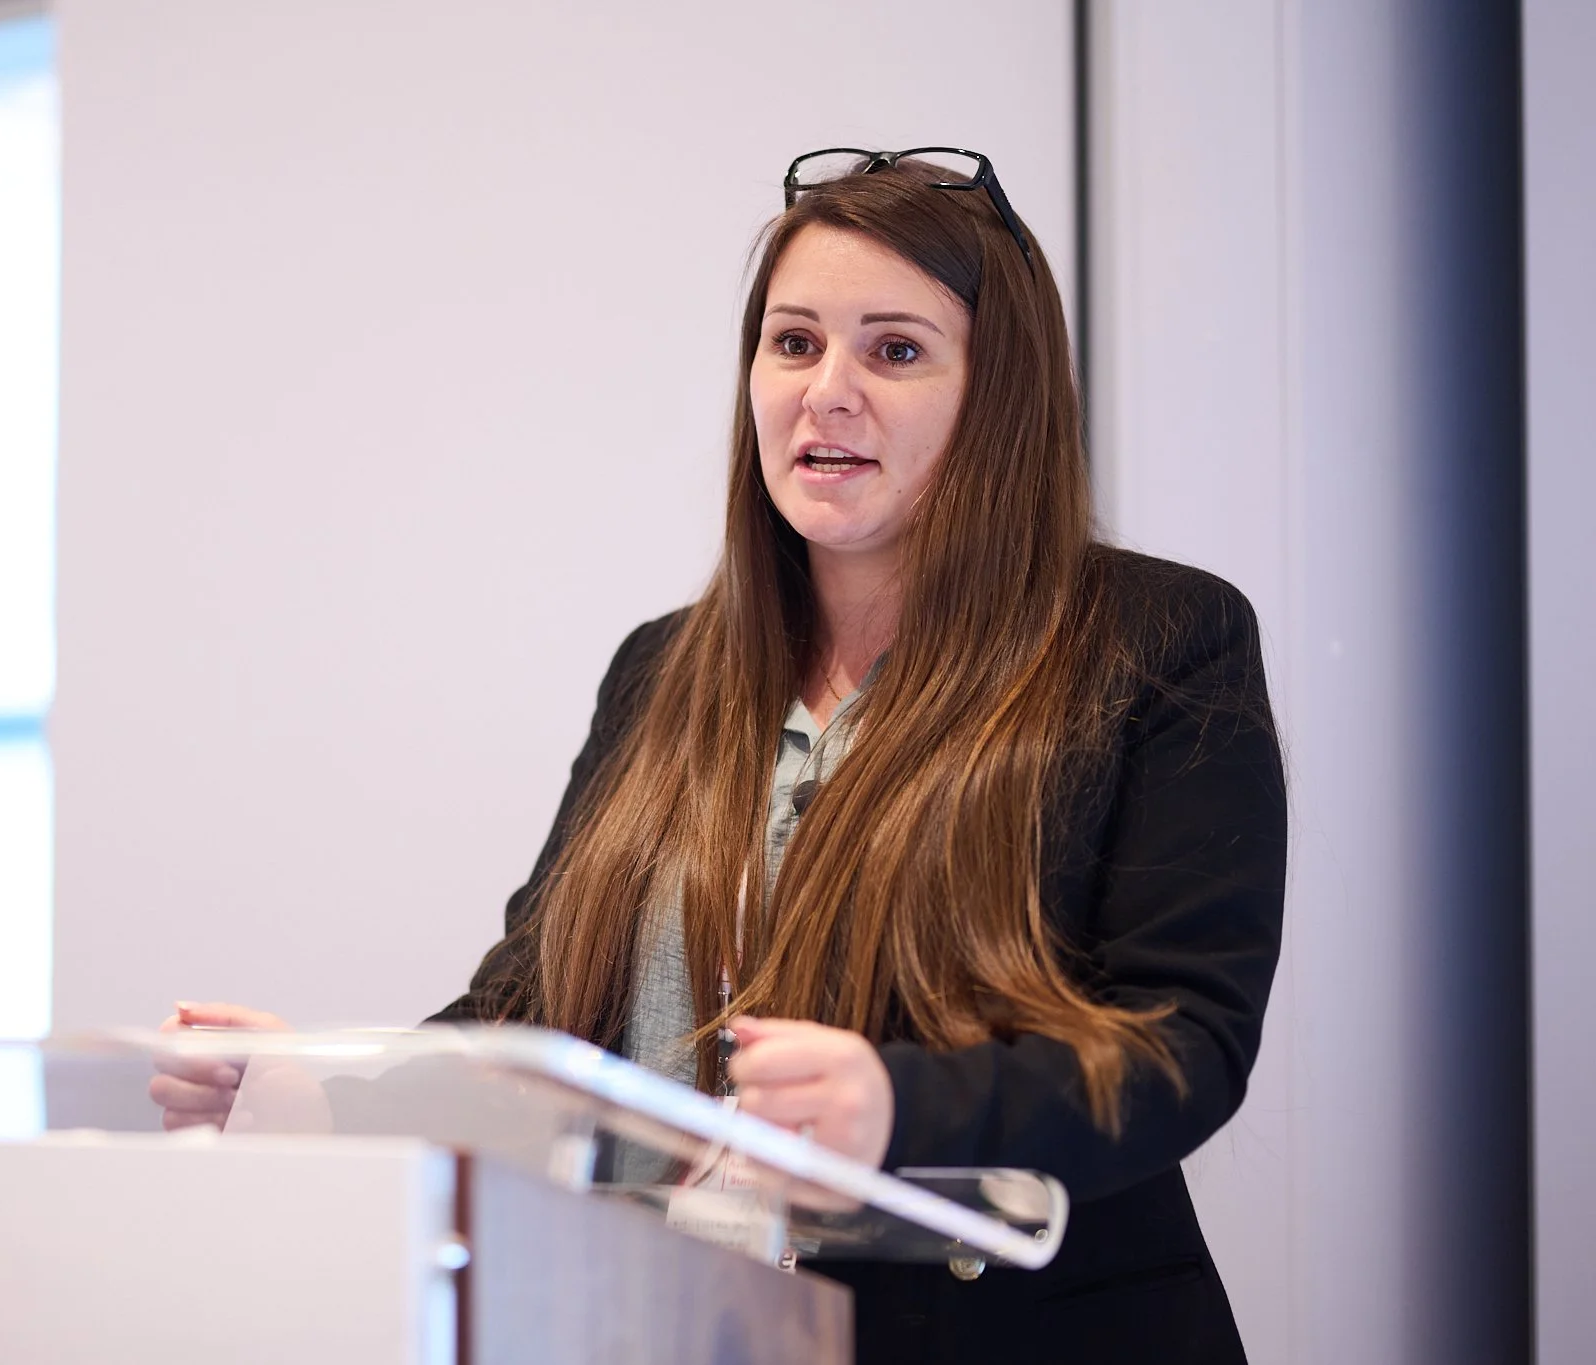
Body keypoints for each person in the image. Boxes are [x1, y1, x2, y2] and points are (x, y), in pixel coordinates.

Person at [152, 148, 1286, 1364]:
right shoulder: (662, 668)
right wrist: (322, 1096)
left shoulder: (1152, 638)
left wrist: (900, 1108)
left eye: (893, 351)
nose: (826, 393)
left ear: (997, 397)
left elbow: (1181, 1044)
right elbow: (536, 1011)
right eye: (793, 344)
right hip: (658, 1324)